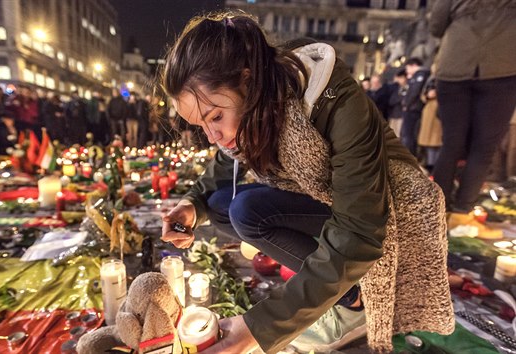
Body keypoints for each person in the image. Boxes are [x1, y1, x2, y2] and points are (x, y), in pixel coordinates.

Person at [160, 12, 453, 354]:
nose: (213, 137)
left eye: (215, 117)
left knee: (247, 211)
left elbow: (359, 231)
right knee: (225, 206)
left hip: (391, 200)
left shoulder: (334, 98)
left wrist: (259, 327)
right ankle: (338, 287)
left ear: (247, 81)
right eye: (201, 125)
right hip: (321, 192)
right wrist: (192, 204)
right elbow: (229, 157)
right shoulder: (255, 108)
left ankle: (356, 303)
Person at [429, 0, 516, 235]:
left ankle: (432, 210)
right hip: (502, 65)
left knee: (451, 144)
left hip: (455, 62)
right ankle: (460, 214)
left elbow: (436, 24)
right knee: (483, 148)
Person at [400, 58, 430, 157]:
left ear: (413, 65)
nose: (407, 71)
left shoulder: (421, 75)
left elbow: (414, 92)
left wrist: (406, 104)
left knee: (409, 134)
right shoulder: (415, 76)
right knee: (407, 134)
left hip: (413, 109)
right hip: (411, 108)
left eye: (408, 68)